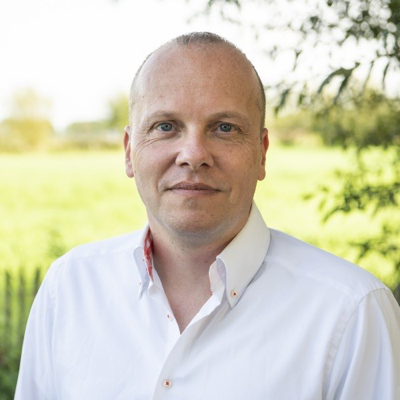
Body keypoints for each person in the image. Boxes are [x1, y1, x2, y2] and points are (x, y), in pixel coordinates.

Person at [15, 32, 399, 400]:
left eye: (224, 128)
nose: (193, 154)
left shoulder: (352, 314)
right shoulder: (69, 289)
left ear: (262, 153)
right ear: (129, 151)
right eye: (166, 126)